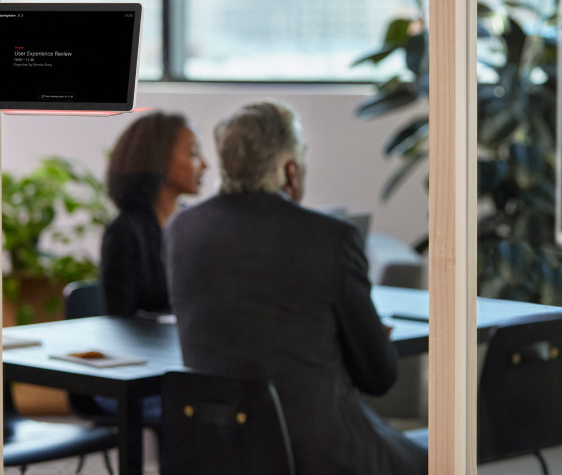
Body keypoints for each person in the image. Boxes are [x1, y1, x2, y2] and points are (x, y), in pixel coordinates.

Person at [165, 100, 427, 475]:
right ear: (290, 169)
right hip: (322, 453)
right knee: (445, 458)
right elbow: (378, 377)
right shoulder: (331, 238)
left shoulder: (181, 231)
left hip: (220, 450)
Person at [100, 110, 207, 317]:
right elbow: (120, 318)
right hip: (148, 347)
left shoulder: (194, 224)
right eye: (193, 153)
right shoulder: (124, 232)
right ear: (159, 160)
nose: (204, 164)